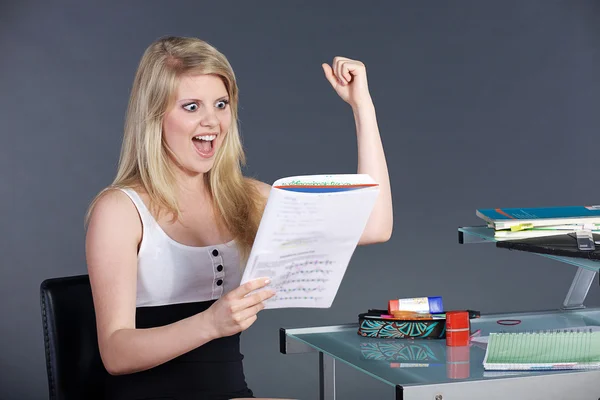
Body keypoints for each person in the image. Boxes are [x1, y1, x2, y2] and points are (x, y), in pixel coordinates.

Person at [85, 36, 392, 400]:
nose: (211, 121)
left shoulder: (246, 197)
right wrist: (211, 323)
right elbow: (116, 354)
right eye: (191, 106)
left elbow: (375, 226)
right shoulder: (119, 210)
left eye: (220, 104)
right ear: (154, 116)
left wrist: (363, 107)